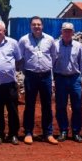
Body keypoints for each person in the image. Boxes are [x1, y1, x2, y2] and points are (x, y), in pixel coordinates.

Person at [18, 16, 59, 145]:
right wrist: (24, 71)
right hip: (31, 76)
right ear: (30, 26)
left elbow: (54, 56)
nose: (36, 27)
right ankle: (28, 133)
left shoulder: (50, 39)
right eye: (34, 24)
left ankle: (48, 133)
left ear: (42, 26)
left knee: (47, 105)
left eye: (39, 24)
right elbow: (19, 58)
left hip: (46, 76)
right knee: (29, 105)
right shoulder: (24, 40)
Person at [53, 22, 82, 143]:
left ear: (73, 32)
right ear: (61, 32)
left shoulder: (78, 46)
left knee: (77, 106)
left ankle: (76, 132)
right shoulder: (55, 45)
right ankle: (63, 130)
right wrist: (52, 80)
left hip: (75, 79)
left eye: (69, 31)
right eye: (65, 31)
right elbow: (51, 63)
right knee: (60, 106)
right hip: (60, 79)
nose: (67, 33)